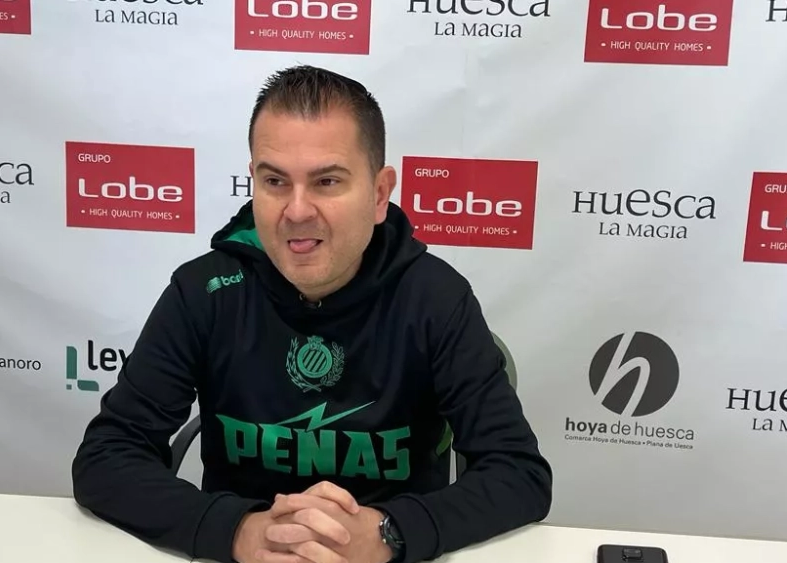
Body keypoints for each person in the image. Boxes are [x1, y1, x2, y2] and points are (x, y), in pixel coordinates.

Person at [71, 65, 552, 563]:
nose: (297, 210)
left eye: (326, 181)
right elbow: (106, 457)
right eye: (275, 181)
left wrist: (388, 533)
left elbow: (519, 474)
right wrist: (239, 531)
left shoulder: (435, 298)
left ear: (379, 194)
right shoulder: (204, 292)